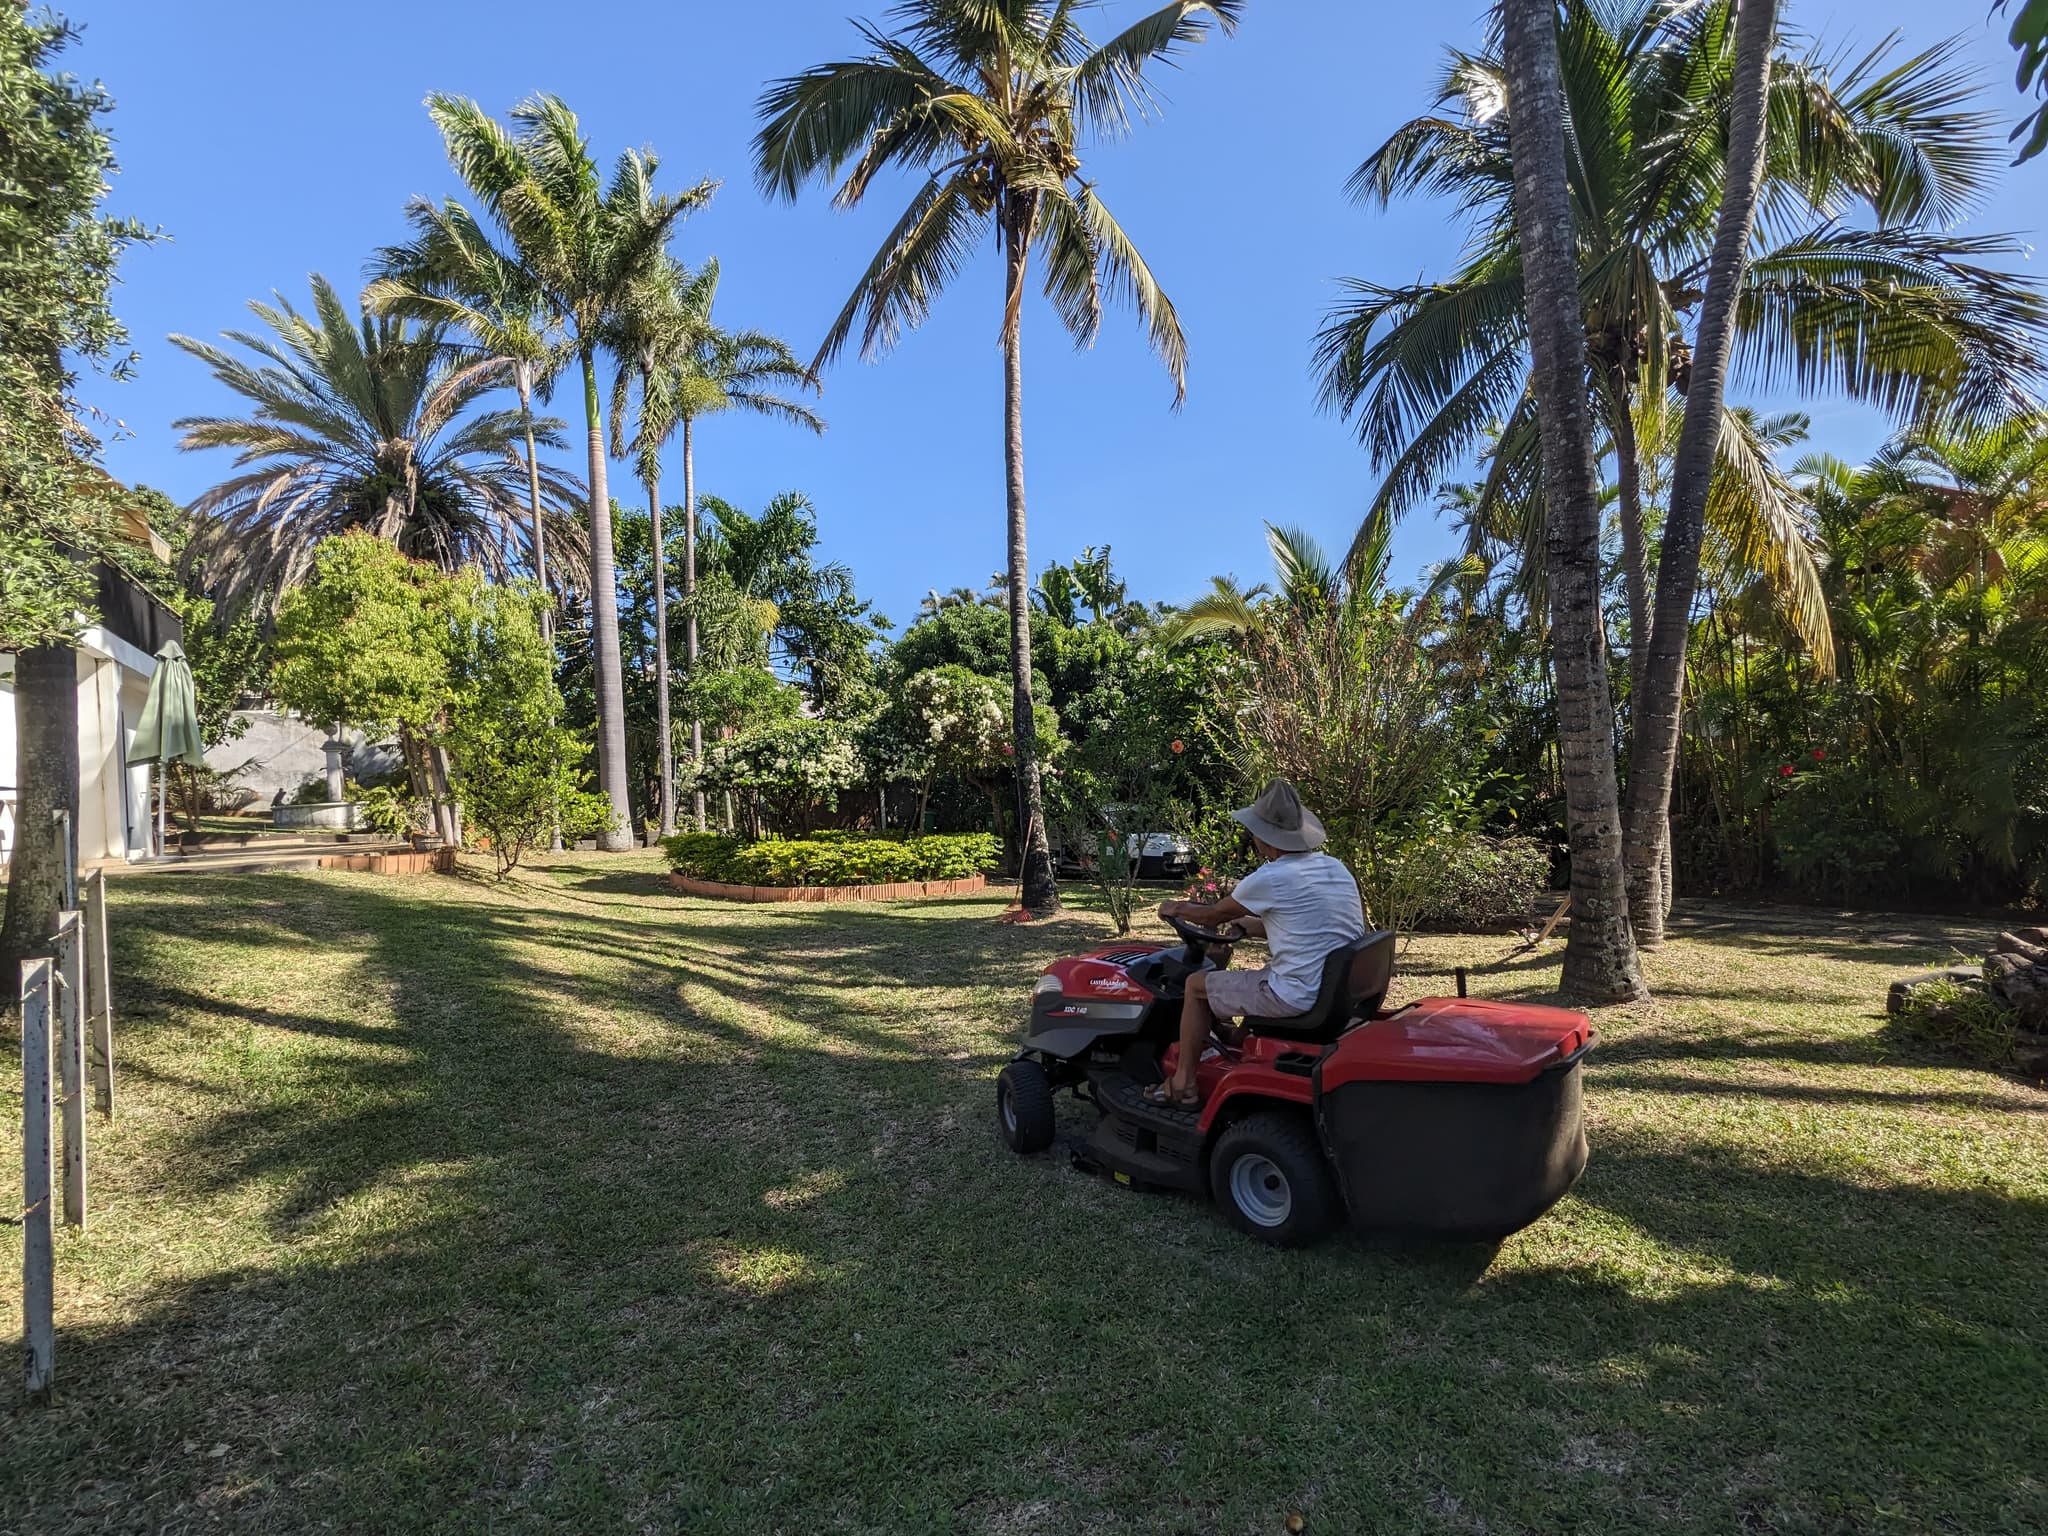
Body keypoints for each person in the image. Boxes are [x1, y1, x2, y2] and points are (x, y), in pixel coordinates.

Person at [1143, 779, 1365, 1107]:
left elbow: (1211, 916)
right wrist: (1249, 927)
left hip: (1297, 996)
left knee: (1194, 985)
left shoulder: (1271, 877)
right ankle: (1235, 1038)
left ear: (1263, 838)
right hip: (1336, 989)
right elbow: (1307, 926)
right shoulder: (1333, 867)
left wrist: (1173, 908)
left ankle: (1184, 1083)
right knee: (1262, 974)